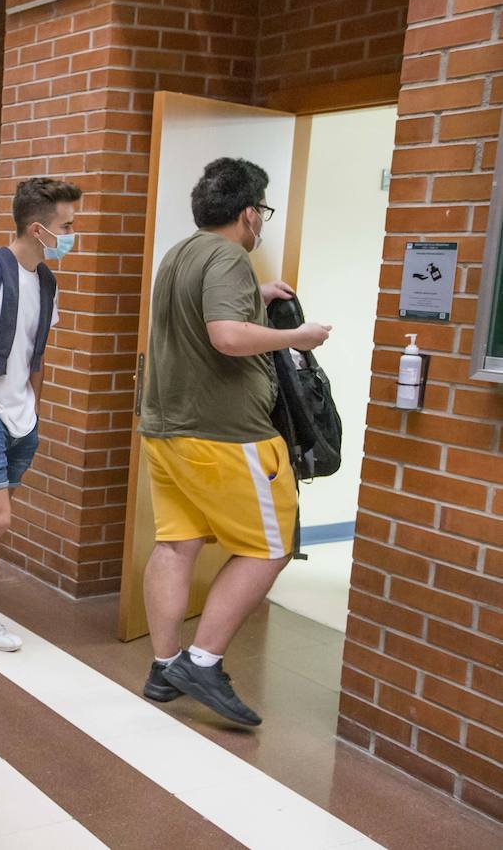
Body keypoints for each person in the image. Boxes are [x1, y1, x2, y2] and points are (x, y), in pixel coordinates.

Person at [139, 157, 331, 727]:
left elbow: (202, 316)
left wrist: (255, 294)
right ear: (249, 213)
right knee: (270, 546)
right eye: (262, 212)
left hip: (167, 432)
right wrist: (298, 335)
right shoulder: (228, 257)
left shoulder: (183, 253)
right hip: (225, 436)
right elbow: (224, 336)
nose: (262, 223)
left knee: (177, 544)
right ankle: (203, 661)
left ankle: (165, 664)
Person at [0, 177, 79, 660]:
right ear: (39, 228)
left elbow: (35, 353)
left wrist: (34, 408)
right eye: (66, 226)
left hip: (21, 420)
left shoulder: (45, 280)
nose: (71, 235)